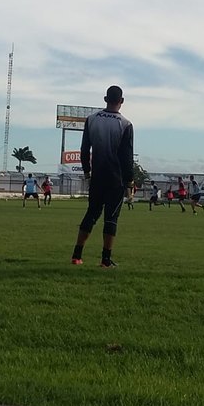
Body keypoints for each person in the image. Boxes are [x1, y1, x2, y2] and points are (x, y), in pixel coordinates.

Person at [70, 85, 134, 268]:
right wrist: (130, 180)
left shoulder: (91, 120)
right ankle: (106, 259)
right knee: (111, 218)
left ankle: (76, 255)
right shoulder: (126, 124)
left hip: (97, 177)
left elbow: (84, 149)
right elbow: (126, 157)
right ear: (121, 101)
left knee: (91, 214)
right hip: (116, 179)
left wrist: (87, 172)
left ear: (105, 99)